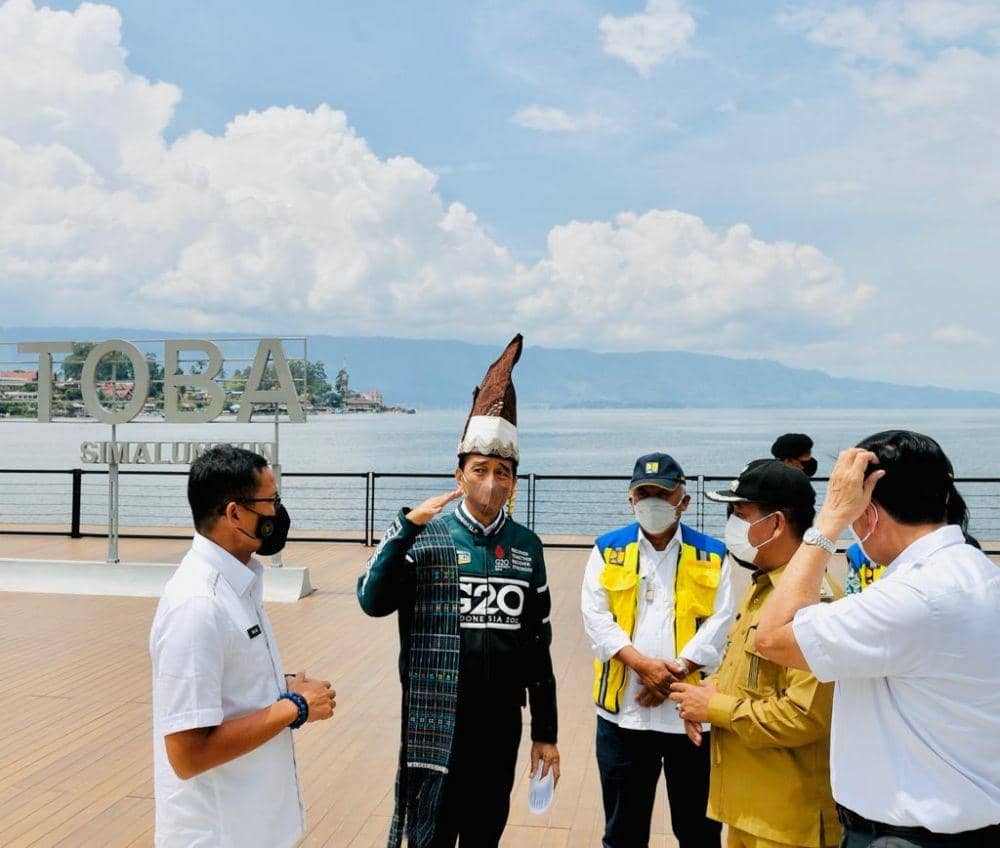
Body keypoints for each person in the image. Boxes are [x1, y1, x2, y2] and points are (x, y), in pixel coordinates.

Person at [358, 335, 559, 848]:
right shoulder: (427, 538)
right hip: (436, 721)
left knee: (485, 833)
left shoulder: (526, 547)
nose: (491, 481)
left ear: (514, 482)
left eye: (502, 472)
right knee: (430, 835)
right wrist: (405, 528)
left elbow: (539, 646)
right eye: (480, 471)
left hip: (500, 726)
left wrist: (546, 732)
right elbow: (371, 601)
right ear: (459, 475)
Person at [757, 430, 1000, 846]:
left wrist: (828, 521)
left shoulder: (913, 598)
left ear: (867, 513)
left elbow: (773, 637)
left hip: (907, 835)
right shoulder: (976, 573)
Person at [150, 446, 336, 848]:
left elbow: (226, 688)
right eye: (271, 501)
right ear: (234, 514)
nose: (277, 514)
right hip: (220, 835)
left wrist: (277, 684)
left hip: (256, 829)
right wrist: (296, 707)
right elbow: (187, 754)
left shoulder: (239, 584)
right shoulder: (198, 606)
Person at [669, 459, 841, 848]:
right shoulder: (764, 588)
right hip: (748, 811)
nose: (732, 525)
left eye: (740, 514)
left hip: (787, 822)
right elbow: (753, 677)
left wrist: (714, 708)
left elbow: (805, 716)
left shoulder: (810, 601)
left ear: (777, 524)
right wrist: (704, 694)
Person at [581, 452, 734, 848]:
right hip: (623, 716)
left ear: (683, 500)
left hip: (692, 715)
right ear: (630, 499)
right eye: (643, 493)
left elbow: (721, 622)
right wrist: (642, 665)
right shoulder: (608, 549)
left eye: (663, 494)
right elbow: (596, 619)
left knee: (699, 832)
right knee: (623, 833)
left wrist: (673, 672)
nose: (652, 502)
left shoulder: (714, 554)